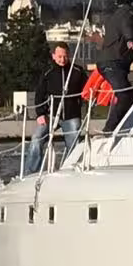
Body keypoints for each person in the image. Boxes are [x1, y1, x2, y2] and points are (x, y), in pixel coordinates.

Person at [27, 42, 88, 174]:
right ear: (53, 56)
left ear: (69, 55)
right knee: (36, 138)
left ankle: (69, 170)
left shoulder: (78, 72)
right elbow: (39, 96)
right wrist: (40, 114)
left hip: (72, 116)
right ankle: (31, 172)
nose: (62, 59)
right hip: (51, 115)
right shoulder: (48, 73)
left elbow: (88, 90)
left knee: (73, 145)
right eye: (59, 56)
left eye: (65, 56)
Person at [96, 0, 133, 133]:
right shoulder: (127, 14)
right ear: (132, 4)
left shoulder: (113, 16)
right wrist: (130, 39)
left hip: (109, 62)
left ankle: (120, 126)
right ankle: (110, 129)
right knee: (125, 96)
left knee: (129, 95)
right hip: (114, 62)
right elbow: (127, 25)